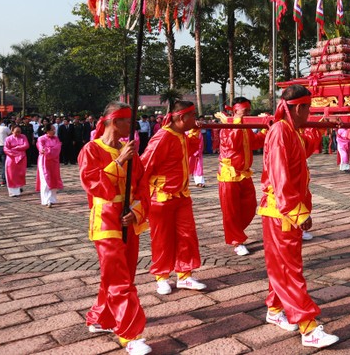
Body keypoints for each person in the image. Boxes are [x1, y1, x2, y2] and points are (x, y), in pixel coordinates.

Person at [257, 85, 339, 348]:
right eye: (309, 109)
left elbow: (303, 150)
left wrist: (321, 128)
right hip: (281, 211)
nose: (310, 114)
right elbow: (280, 177)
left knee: (283, 264)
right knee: (289, 268)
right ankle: (307, 325)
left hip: (284, 210)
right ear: (300, 108)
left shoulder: (290, 130)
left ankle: (274, 309)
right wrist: (297, 212)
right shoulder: (280, 131)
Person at [78, 102, 151, 354]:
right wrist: (119, 161)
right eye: (127, 121)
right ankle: (130, 334)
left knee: (121, 275)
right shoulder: (91, 150)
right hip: (106, 220)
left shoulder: (131, 151)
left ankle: (101, 318)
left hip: (128, 218)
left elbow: (142, 187)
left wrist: (136, 212)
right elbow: (94, 185)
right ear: (113, 121)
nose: (132, 127)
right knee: (120, 278)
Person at [141, 101, 206, 296]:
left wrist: (195, 132)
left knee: (187, 236)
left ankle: (184, 275)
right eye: (192, 116)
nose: (195, 119)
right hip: (162, 197)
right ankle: (161, 277)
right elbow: (145, 166)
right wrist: (140, 197)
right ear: (180, 118)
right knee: (162, 239)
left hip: (182, 196)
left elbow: (192, 147)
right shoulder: (162, 137)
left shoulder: (181, 135)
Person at [218, 97, 266, 256]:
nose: (248, 114)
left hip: (244, 173)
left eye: (248, 111)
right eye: (244, 111)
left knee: (250, 206)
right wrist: (238, 122)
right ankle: (236, 241)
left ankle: (236, 232)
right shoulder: (227, 127)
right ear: (235, 111)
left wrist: (265, 129)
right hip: (229, 175)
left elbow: (254, 143)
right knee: (231, 211)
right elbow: (233, 142)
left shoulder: (244, 127)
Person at [36, 124, 63, 207]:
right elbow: (41, 149)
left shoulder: (56, 138)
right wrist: (51, 150)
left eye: (54, 129)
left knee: (54, 178)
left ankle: (52, 199)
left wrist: (48, 150)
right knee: (45, 179)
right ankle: (46, 200)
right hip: (44, 161)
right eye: (52, 129)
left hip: (54, 161)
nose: (54, 131)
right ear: (47, 130)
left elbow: (58, 148)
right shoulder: (41, 139)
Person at [4, 126, 29, 197]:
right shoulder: (8, 139)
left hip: (22, 158)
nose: (18, 133)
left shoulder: (23, 137)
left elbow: (26, 145)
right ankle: (12, 192)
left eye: (19, 132)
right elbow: (6, 149)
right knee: (11, 174)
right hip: (11, 158)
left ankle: (18, 188)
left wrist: (16, 148)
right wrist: (15, 153)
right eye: (16, 132)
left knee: (20, 173)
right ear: (12, 131)